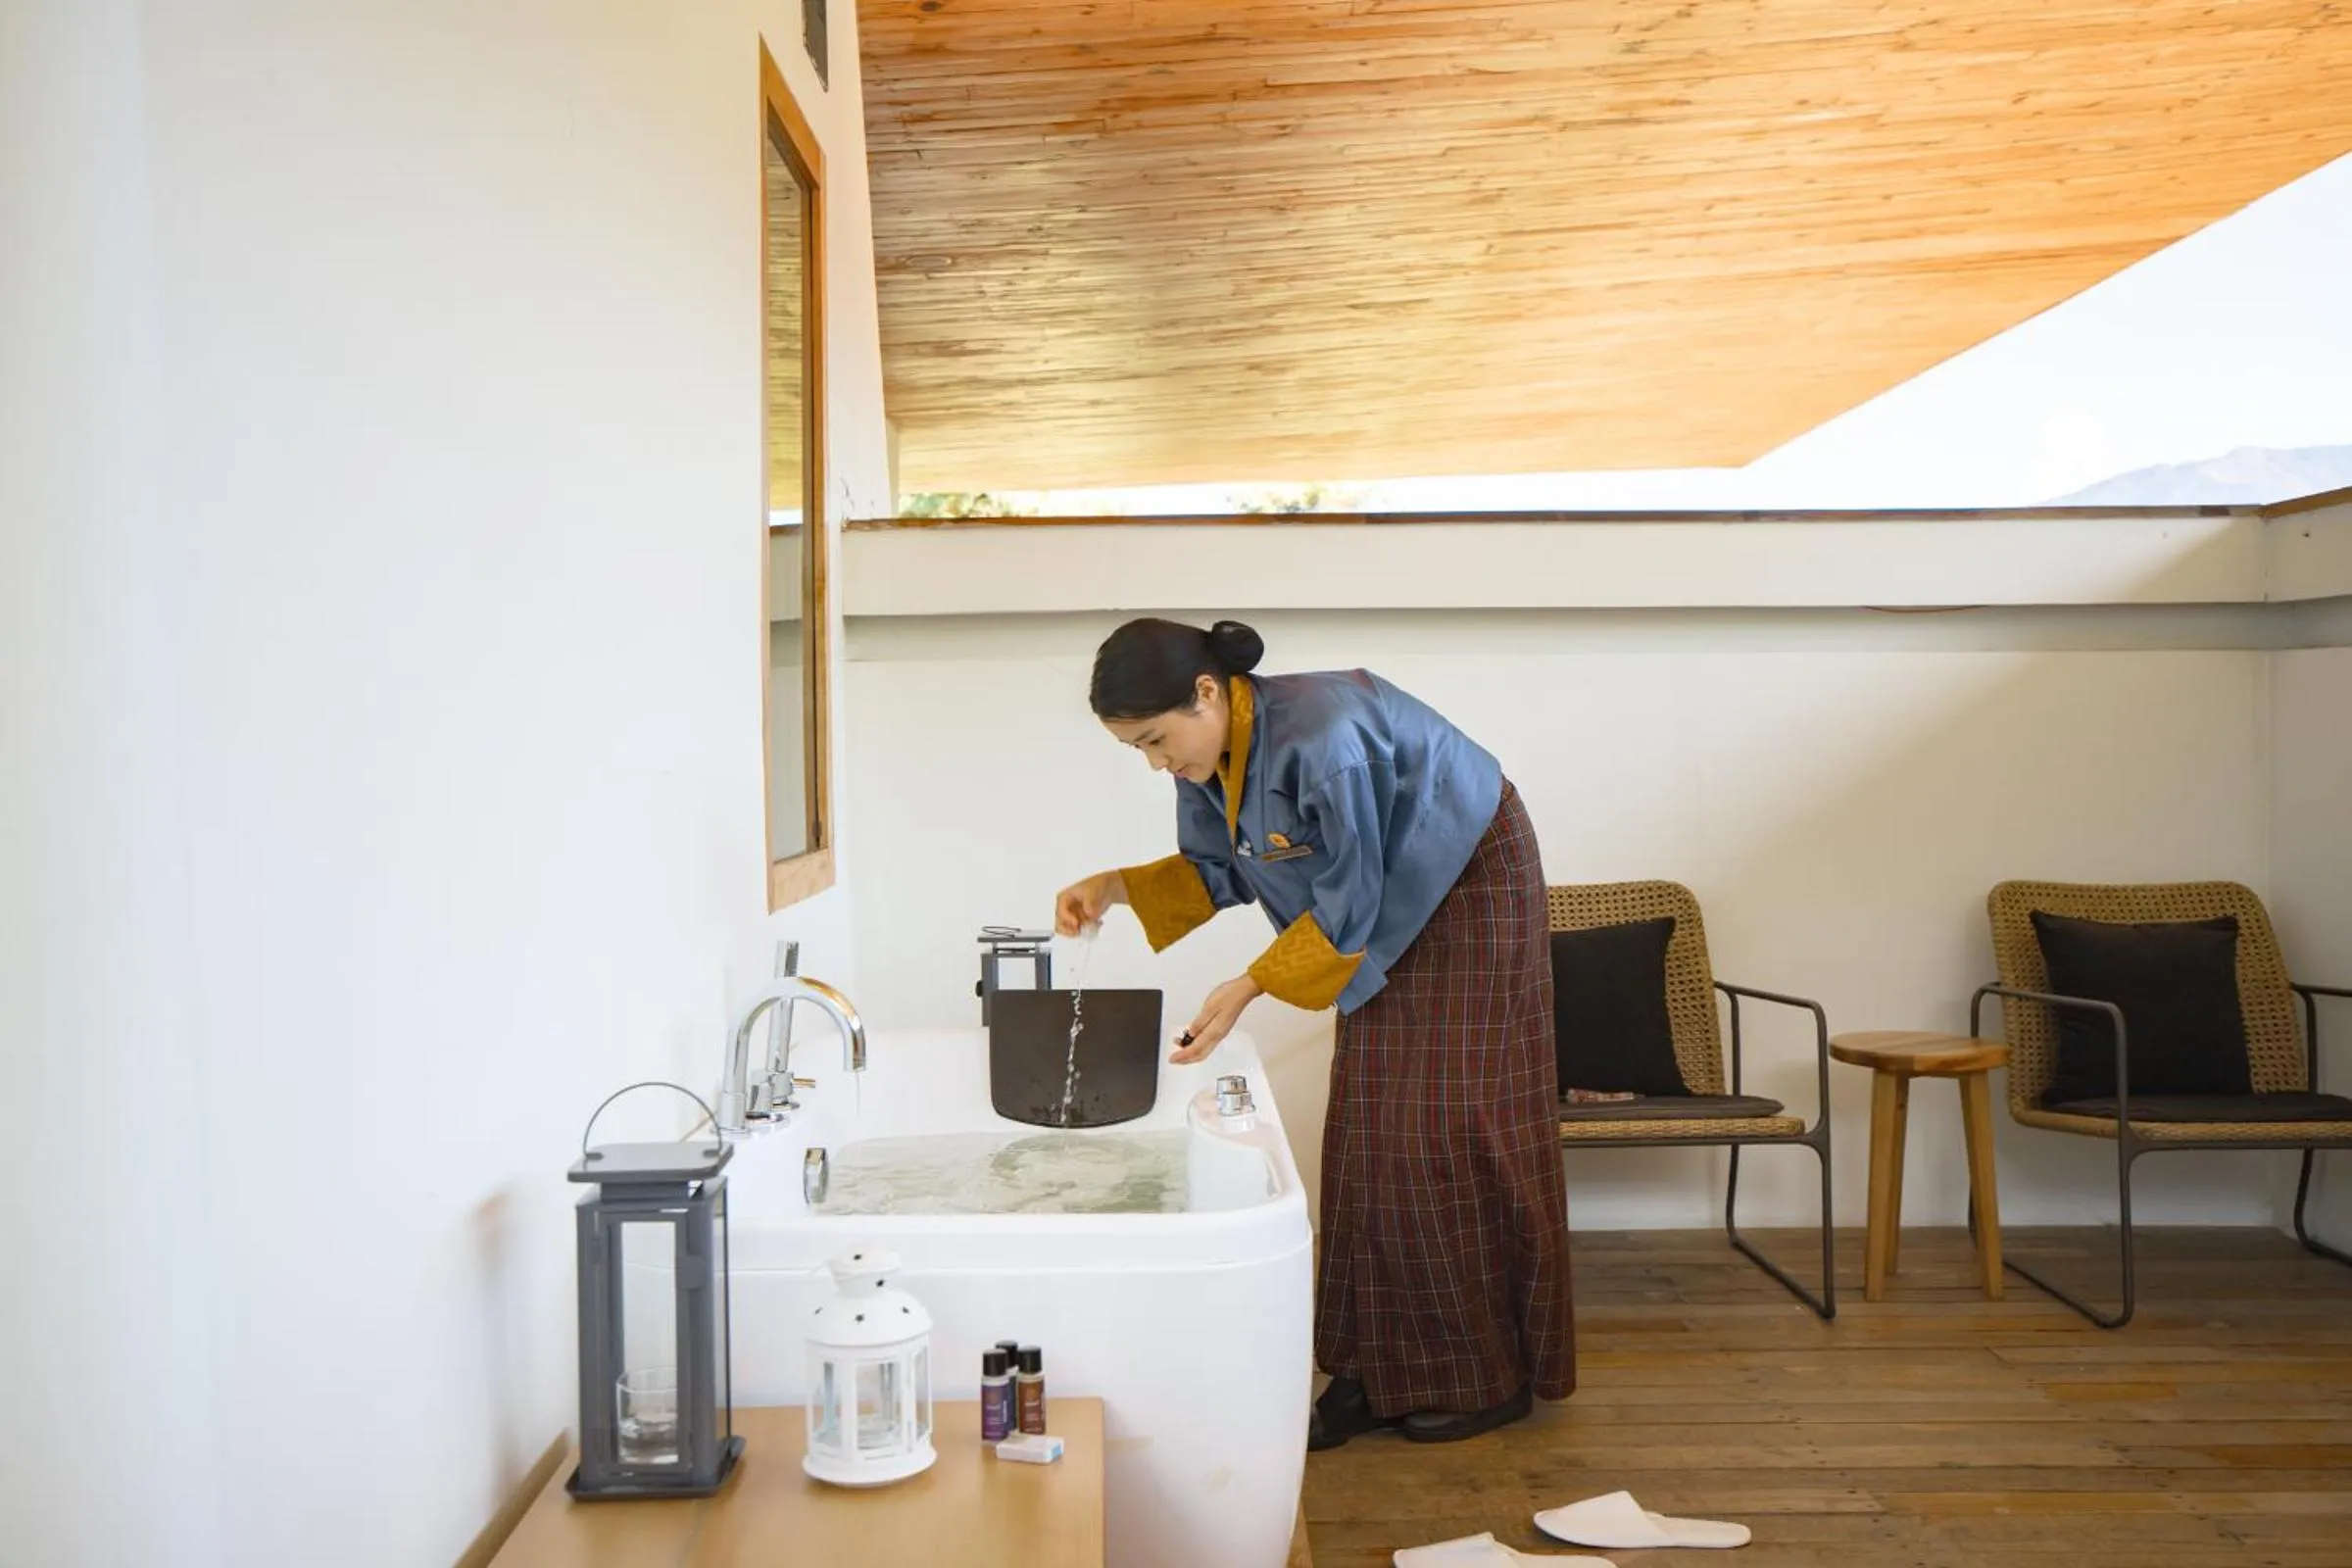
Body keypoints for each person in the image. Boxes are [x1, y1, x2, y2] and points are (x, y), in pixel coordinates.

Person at [1054, 617, 1575, 1448]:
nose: (1158, 763)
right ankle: (1373, 1370)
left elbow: (1349, 898)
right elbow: (1221, 866)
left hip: (1470, 879)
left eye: (1157, 740)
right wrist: (1113, 886)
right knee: (1370, 1127)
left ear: (1206, 692)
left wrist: (1251, 983)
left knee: (1444, 1128)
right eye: (1139, 752)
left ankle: (1489, 1376)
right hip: (1373, 906)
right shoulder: (1210, 756)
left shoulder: (1327, 735)